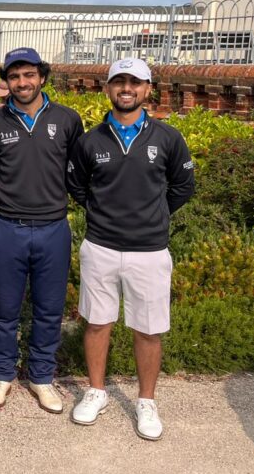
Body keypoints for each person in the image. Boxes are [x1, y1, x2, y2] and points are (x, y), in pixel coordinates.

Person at [66, 58, 195, 440]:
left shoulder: (167, 138)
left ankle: (146, 401)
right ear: (108, 88)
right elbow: (77, 186)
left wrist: (153, 215)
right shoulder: (91, 141)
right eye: (119, 81)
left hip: (149, 250)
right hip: (100, 247)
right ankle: (96, 391)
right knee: (97, 322)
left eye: (135, 82)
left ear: (147, 89)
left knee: (148, 329)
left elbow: (182, 186)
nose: (127, 88)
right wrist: (102, 213)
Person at [0, 48, 83, 413]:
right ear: (6, 82)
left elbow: (76, 168)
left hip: (54, 228)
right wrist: (7, 195)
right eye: (14, 76)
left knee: (49, 309)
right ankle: (2, 374)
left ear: (42, 76)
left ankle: (41, 377)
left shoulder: (67, 119)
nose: (22, 82)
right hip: (9, 227)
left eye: (28, 75)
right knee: (6, 308)